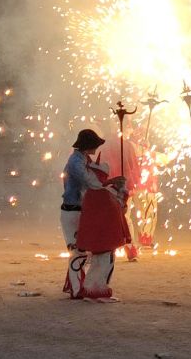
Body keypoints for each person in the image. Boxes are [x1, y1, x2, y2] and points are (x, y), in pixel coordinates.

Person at [63, 129, 132, 301]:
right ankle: (77, 289)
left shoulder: (83, 159)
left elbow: (95, 183)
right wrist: (110, 183)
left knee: (85, 249)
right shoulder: (75, 161)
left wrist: (111, 182)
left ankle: (81, 288)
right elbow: (92, 182)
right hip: (73, 210)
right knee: (78, 251)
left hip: (83, 210)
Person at [100, 120, 158, 261]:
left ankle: (108, 249)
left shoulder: (105, 146)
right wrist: (134, 184)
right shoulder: (127, 146)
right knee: (125, 216)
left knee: (110, 216)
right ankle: (129, 248)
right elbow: (135, 168)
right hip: (124, 186)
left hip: (109, 186)